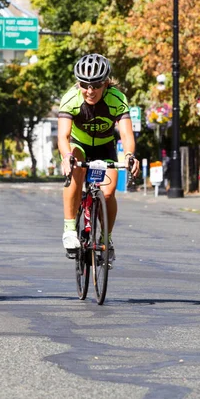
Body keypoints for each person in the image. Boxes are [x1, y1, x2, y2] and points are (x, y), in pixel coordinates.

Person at [58, 53, 140, 264]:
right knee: (75, 167)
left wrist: (130, 155)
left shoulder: (116, 99)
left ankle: (106, 238)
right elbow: (63, 136)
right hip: (78, 145)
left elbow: (127, 135)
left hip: (105, 146)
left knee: (109, 192)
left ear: (105, 83)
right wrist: (66, 156)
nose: (90, 91)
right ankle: (69, 229)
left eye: (95, 85)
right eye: (85, 85)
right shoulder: (71, 98)